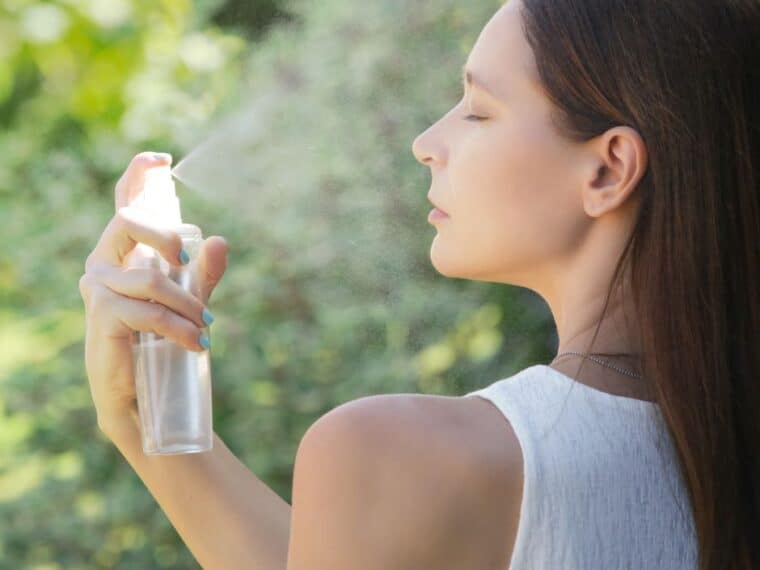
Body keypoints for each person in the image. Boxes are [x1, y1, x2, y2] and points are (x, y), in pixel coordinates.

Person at [78, 0, 759, 568]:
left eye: (477, 110)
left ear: (608, 171)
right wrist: (146, 423)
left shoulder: (393, 453)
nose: (427, 142)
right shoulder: (719, 448)